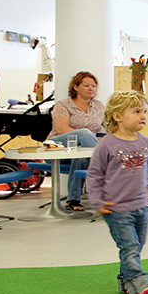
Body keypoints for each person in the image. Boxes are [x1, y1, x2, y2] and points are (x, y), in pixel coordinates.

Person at [88, 91, 148, 294]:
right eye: (137, 112)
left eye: (144, 112)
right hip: (116, 208)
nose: (143, 116)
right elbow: (94, 175)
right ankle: (140, 284)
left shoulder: (147, 143)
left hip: (140, 206)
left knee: (136, 245)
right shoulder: (106, 145)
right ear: (117, 116)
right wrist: (97, 201)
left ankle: (124, 281)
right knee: (129, 247)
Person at [49, 71, 103, 211]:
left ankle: (73, 200)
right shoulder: (63, 105)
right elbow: (61, 129)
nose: (91, 89)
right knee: (84, 133)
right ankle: (105, 164)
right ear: (76, 87)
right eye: (86, 85)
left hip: (81, 150)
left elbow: (109, 128)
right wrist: (89, 137)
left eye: (93, 86)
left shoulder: (98, 106)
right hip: (57, 147)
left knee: (81, 158)